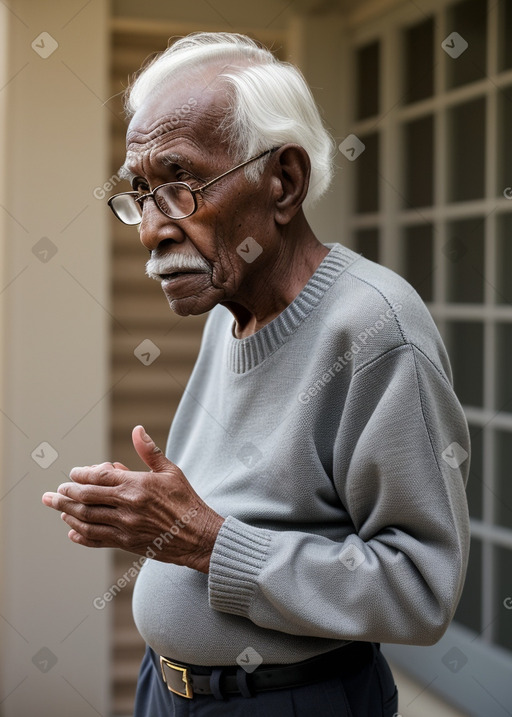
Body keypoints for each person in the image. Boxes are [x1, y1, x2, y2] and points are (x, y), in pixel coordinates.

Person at [42, 32, 471, 717]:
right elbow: (224, 507)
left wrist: (204, 539)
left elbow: (420, 591)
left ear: (284, 182)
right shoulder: (230, 309)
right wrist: (148, 511)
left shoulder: (375, 326)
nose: (153, 228)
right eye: (141, 194)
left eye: (181, 185)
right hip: (170, 691)